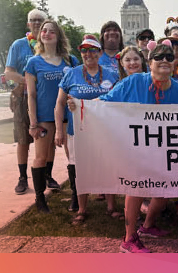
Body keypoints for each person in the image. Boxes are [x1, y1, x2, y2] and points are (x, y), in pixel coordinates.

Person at [67, 43, 178, 253]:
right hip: (134, 149)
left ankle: (147, 226)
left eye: (169, 57)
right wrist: (81, 106)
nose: (165, 60)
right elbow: (104, 102)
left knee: (162, 194)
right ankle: (129, 239)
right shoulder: (133, 82)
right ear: (150, 63)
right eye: (159, 57)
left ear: (174, 63)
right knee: (137, 187)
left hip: (162, 150)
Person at [55, 35, 120, 224]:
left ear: (100, 53)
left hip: (105, 131)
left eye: (92, 50)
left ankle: (111, 207)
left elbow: (118, 101)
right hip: (78, 131)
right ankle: (82, 209)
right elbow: (59, 104)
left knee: (107, 166)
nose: (88, 54)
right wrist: (59, 130)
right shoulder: (72, 74)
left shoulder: (111, 74)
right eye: (84, 50)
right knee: (79, 169)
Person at [24, 20, 78, 213]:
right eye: (44, 31)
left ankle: (75, 196)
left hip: (68, 116)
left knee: (72, 156)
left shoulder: (70, 61)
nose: (47, 33)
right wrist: (33, 123)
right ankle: (40, 199)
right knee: (41, 157)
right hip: (44, 117)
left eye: (52, 31)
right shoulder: (33, 62)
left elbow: (77, 87)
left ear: (58, 36)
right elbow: (30, 94)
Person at [5, 9, 47, 195]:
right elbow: (9, 72)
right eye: (33, 20)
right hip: (23, 96)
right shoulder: (19, 45)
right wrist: (29, 82)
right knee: (23, 138)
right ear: (28, 24)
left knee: (46, 137)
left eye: (40, 20)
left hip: (45, 98)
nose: (36, 23)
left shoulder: (49, 44)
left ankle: (47, 175)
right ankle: (23, 178)